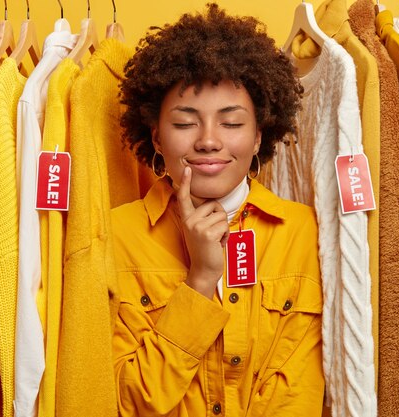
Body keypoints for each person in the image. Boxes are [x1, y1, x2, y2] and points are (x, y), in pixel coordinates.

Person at [112, 4, 324, 415]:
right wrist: (201, 279)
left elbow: (302, 393)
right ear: (156, 138)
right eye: (185, 122)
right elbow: (126, 402)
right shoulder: (115, 236)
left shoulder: (304, 231)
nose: (209, 141)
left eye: (231, 123)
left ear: (260, 135)